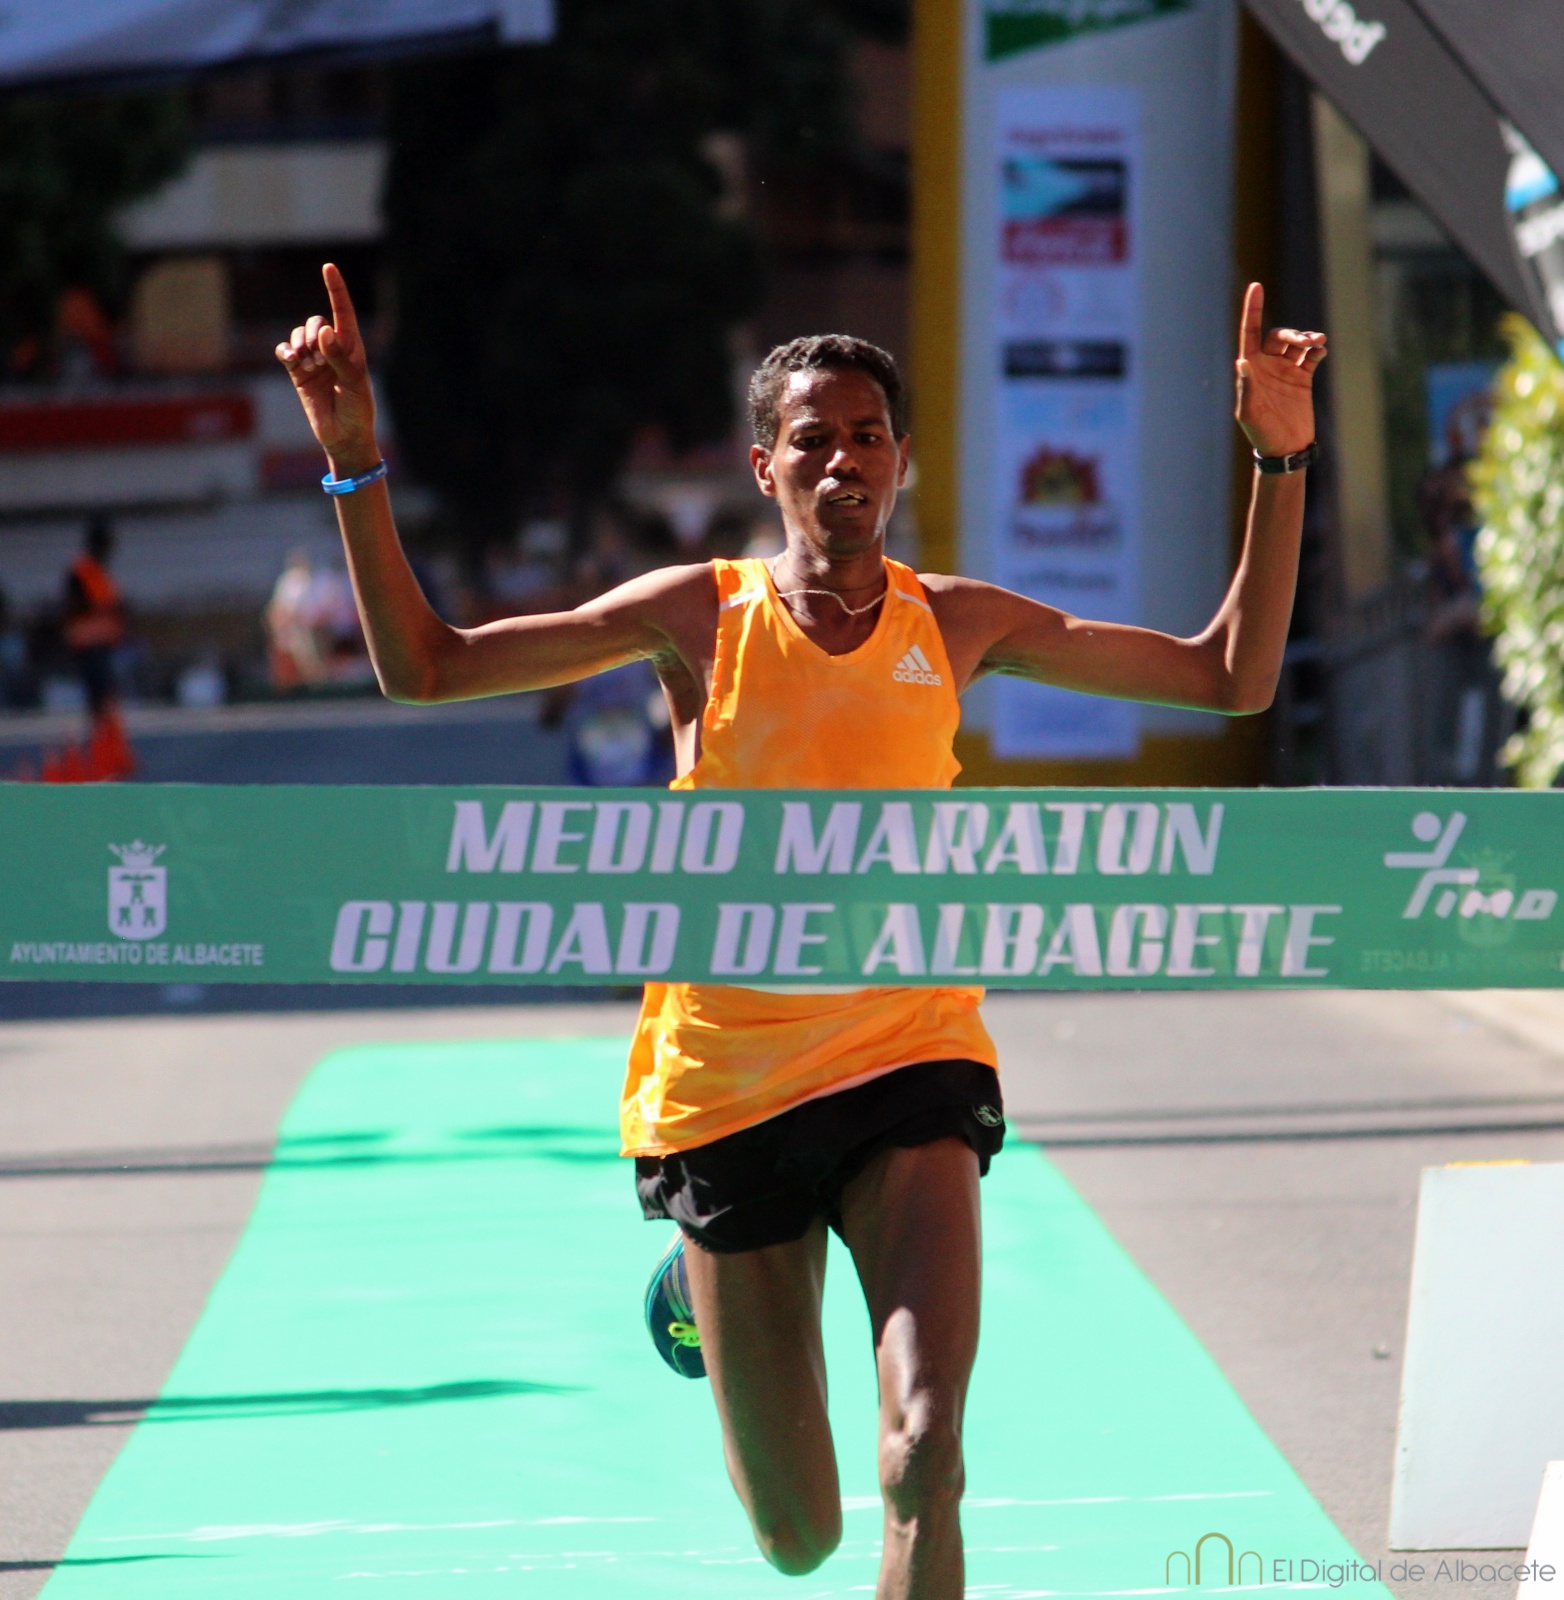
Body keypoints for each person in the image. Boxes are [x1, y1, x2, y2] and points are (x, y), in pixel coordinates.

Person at [277, 263, 1324, 1600]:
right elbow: (426, 668)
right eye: (812, 438)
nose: (845, 459)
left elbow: (1226, 675)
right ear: (766, 467)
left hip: (912, 1061)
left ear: (902, 464)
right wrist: (356, 465)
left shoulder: (955, 622)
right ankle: (698, 1279)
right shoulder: (697, 618)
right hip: (728, 1091)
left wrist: (1279, 459)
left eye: (870, 434)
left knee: (926, 1451)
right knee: (800, 1536)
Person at [62, 515, 135, 779]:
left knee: (107, 701)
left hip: (104, 646)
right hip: (89, 648)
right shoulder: (81, 571)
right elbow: (73, 607)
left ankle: (110, 754)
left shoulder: (100, 572)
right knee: (100, 703)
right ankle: (102, 756)